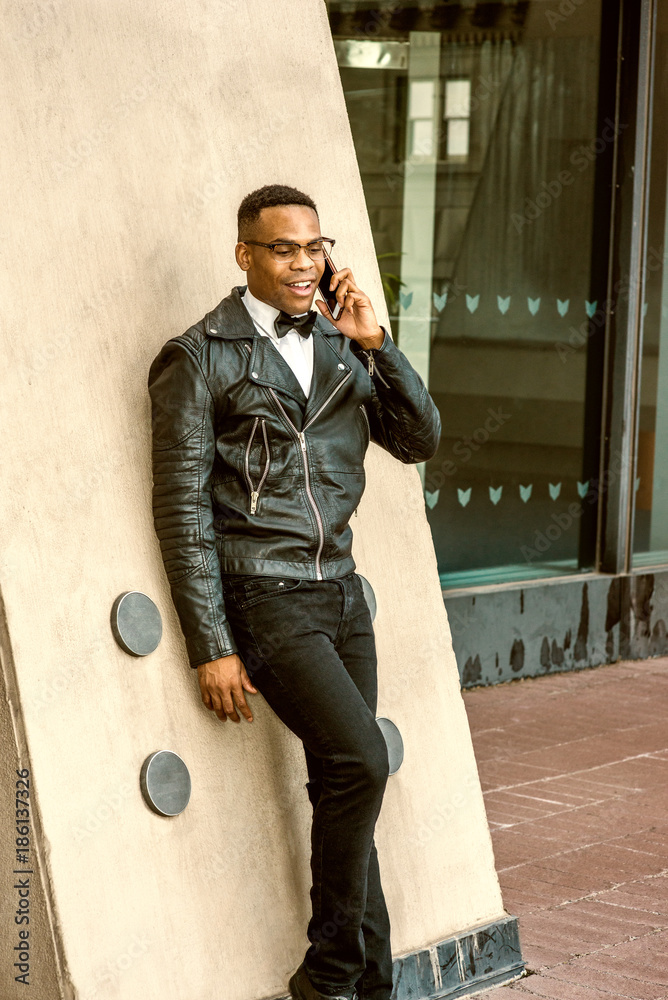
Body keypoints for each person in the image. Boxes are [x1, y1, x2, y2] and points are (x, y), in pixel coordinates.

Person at [148, 184, 441, 1000]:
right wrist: (212, 644)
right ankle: (329, 973)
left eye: (314, 247)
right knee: (363, 760)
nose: (303, 263)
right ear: (245, 255)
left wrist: (378, 344)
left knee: (350, 791)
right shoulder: (199, 355)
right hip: (265, 595)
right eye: (283, 249)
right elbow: (179, 510)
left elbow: (419, 439)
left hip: (342, 597)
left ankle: (369, 987)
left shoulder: (346, 347)